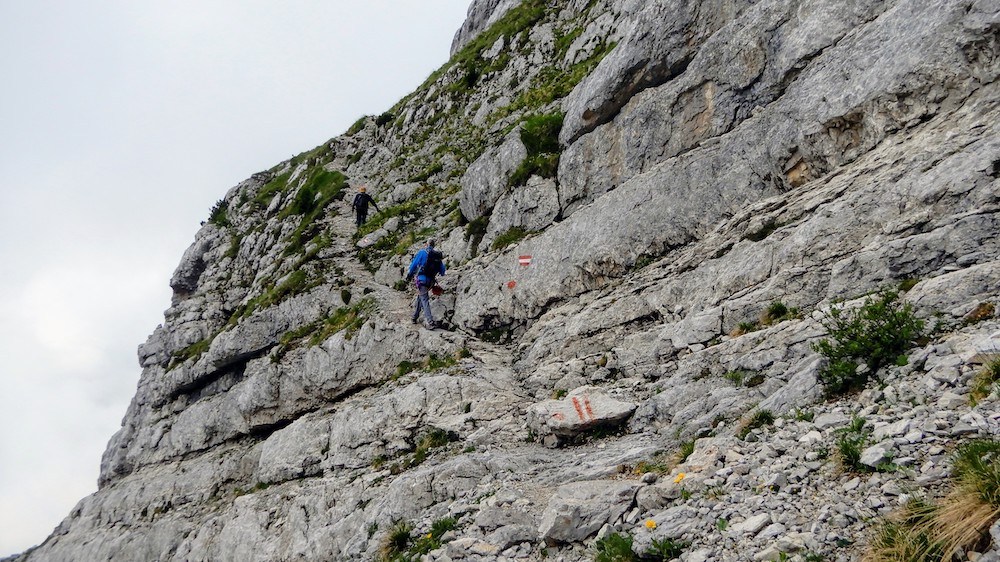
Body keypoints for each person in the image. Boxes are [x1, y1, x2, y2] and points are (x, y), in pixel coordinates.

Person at [405, 239, 445, 328]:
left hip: (421, 280)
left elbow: (413, 265)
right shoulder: (436, 256)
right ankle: (414, 317)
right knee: (421, 297)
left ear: (427, 244)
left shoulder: (422, 252)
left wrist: (409, 275)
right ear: (434, 245)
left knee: (424, 299)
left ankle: (430, 322)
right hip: (431, 281)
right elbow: (442, 271)